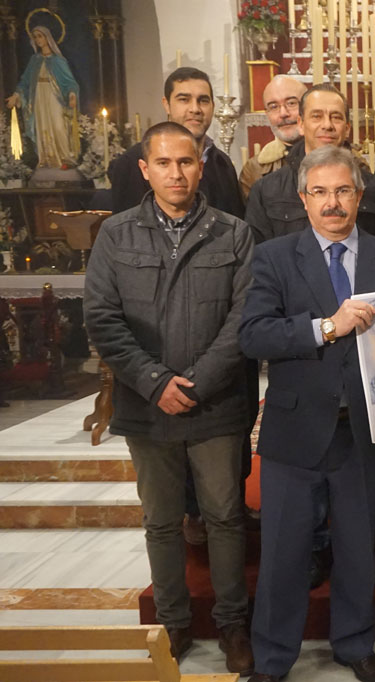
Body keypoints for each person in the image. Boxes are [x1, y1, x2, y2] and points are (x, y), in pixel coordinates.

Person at [83, 121, 254, 675]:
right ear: (145, 169)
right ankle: (173, 624)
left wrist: (198, 382)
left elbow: (242, 318)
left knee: (225, 516)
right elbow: (102, 318)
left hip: (216, 404)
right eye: (164, 163)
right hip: (145, 405)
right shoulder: (117, 234)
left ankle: (232, 624)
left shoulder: (232, 233)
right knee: (160, 521)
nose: (176, 173)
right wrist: (155, 381)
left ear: (201, 164)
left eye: (186, 161)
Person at [240, 145, 375, 682]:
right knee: (284, 553)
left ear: (360, 195)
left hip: (363, 430)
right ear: (303, 198)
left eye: (343, 191)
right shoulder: (274, 256)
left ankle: (355, 644)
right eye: (321, 192)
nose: (333, 203)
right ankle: (272, 659)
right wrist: (326, 326)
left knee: (358, 548)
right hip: (295, 428)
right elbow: (253, 334)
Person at [246, 83, 375, 248]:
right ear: (301, 124)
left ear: (347, 128)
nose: (327, 125)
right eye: (317, 116)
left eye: (336, 117)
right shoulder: (266, 191)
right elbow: (258, 260)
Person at [108, 67, 245, 219]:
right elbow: (126, 231)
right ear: (166, 104)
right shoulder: (131, 162)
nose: (195, 109)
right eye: (184, 99)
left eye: (203, 101)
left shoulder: (222, 162)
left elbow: (235, 223)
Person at [5, 25, 79, 168]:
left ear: (47, 38)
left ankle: (64, 158)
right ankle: (45, 159)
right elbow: (25, 81)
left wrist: (71, 94)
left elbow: (70, 82)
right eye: (35, 37)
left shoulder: (59, 61)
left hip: (54, 97)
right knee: (41, 126)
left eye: (40, 36)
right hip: (38, 97)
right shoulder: (35, 60)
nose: (38, 40)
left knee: (58, 126)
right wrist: (15, 95)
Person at [239, 74, 307, 200]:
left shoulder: (335, 156)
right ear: (266, 114)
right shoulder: (254, 169)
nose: (283, 114)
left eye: (291, 103)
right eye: (273, 107)